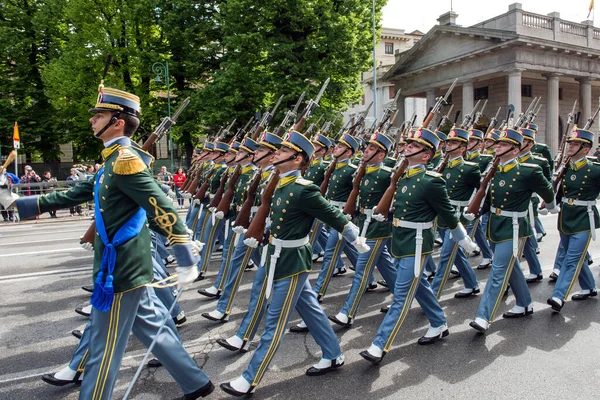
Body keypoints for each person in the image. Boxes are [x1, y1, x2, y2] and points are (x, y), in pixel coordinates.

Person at [12, 86, 214, 399]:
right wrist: (21, 204)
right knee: (151, 327)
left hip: (120, 269)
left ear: (117, 122)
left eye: (99, 115)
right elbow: (74, 194)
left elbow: (161, 205)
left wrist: (185, 254)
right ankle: (196, 382)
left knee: (103, 351)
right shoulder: (111, 161)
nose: (92, 120)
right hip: (121, 264)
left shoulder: (125, 162)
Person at [219, 130, 368, 397]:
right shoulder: (279, 184)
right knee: (309, 309)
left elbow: (333, 215)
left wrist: (356, 238)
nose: (276, 152)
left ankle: (249, 378)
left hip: (291, 262)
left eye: (283, 151)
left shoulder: (303, 189)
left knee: (274, 322)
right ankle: (333, 354)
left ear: (298, 159)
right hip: (274, 255)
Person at [359, 127, 478, 364]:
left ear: (426, 156)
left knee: (402, 296)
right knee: (420, 285)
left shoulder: (431, 181)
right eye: (409, 144)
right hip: (401, 241)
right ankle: (438, 322)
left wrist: (462, 239)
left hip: (416, 244)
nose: (408, 147)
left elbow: (448, 214)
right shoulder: (404, 177)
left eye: (415, 146)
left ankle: (380, 345)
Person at [466, 128, 555, 333]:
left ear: (515, 150)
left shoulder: (529, 171)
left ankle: (483, 316)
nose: (498, 146)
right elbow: (489, 199)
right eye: (498, 143)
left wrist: (550, 206)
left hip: (514, 227)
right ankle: (524, 303)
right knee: (511, 266)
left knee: (498, 271)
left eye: (504, 145)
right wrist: (476, 212)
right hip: (496, 226)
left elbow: (548, 191)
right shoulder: (494, 171)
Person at [547, 128, 600, 312]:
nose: (570, 146)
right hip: (566, 217)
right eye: (570, 143)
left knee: (570, 259)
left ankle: (558, 296)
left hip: (584, 219)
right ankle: (589, 287)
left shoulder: (594, 170)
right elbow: (559, 191)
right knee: (576, 256)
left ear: (586, 149)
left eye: (576, 144)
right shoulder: (565, 167)